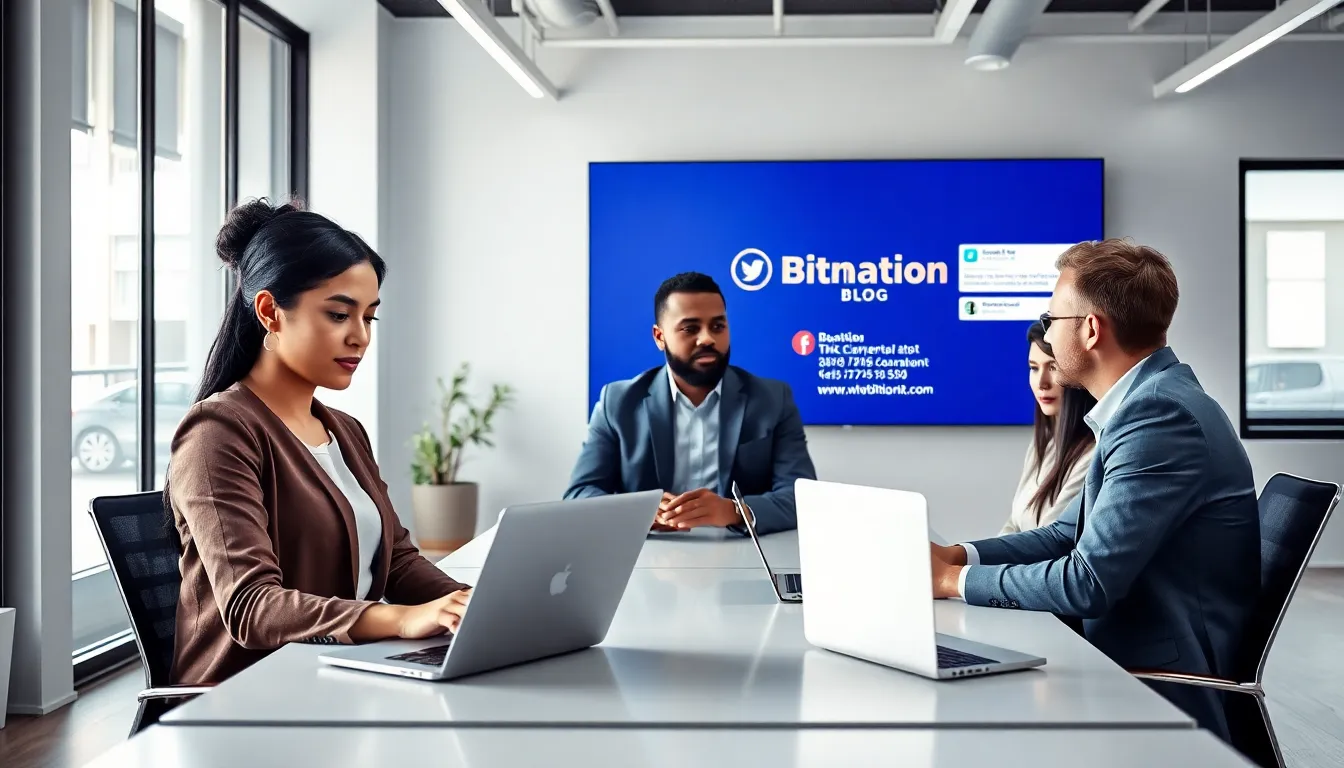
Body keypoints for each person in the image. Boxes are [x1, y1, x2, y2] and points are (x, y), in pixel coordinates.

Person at [929, 239, 1260, 741]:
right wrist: (956, 556)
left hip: (1151, 674)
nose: (1046, 333)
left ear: (1090, 329)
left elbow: (1087, 583)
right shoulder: (1143, 403)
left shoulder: (1159, 417)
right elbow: (1065, 534)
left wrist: (952, 582)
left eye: (1051, 319)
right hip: (1122, 649)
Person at [165, 199, 472, 686]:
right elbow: (251, 607)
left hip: (339, 675)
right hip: (247, 695)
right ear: (270, 312)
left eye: (369, 318)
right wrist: (399, 619)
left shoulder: (345, 431)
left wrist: (470, 604)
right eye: (338, 314)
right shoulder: (217, 432)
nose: (360, 337)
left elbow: (397, 563)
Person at [564, 272, 817, 535]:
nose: (707, 339)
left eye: (717, 326)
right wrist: (636, 511)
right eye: (690, 328)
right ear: (659, 336)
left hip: (742, 550)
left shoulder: (772, 399)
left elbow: (803, 498)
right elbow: (579, 494)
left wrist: (733, 511)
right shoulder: (618, 403)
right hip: (648, 552)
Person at [1002, 320, 1097, 534]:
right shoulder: (1044, 443)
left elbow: (1050, 540)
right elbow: (1014, 522)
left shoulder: (1092, 455)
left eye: (1053, 367)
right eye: (1034, 368)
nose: (1041, 383)